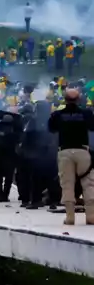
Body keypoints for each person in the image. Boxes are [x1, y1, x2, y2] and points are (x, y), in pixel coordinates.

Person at [48, 88, 94, 225]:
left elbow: (51, 129)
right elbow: (92, 127)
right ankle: (91, 216)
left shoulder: (57, 114)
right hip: (82, 151)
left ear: (65, 99)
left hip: (65, 151)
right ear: (79, 99)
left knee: (67, 184)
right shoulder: (86, 113)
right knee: (89, 183)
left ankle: (70, 217)